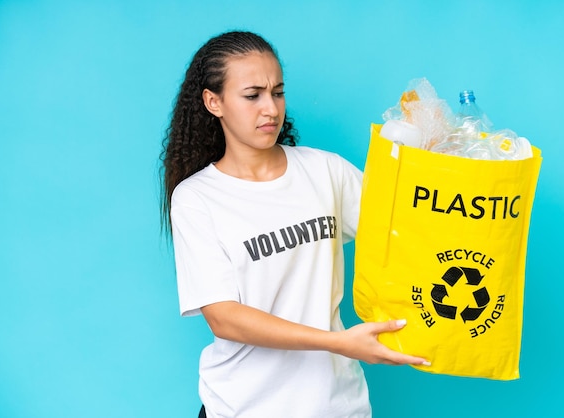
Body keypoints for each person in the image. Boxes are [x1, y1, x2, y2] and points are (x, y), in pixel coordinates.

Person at [160, 30, 429, 418]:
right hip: (245, 408)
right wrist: (336, 342)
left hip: (338, 405)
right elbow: (224, 317)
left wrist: (428, 156)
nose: (270, 108)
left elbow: (400, 233)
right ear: (213, 101)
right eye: (252, 96)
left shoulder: (325, 170)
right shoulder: (197, 198)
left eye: (278, 92)